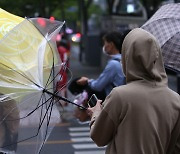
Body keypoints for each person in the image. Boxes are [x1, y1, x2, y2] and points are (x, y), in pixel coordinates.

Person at [87, 28, 180, 154]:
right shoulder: (176, 100)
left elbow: (99, 137)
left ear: (127, 57)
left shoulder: (119, 96)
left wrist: (96, 113)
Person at [72, 31, 127, 122]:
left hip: (113, 106)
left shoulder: (113, 64)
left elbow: (98, 86)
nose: (104, 46)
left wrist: (88, 81)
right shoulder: (123, 60)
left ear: (111, 44)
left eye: (105, 43)